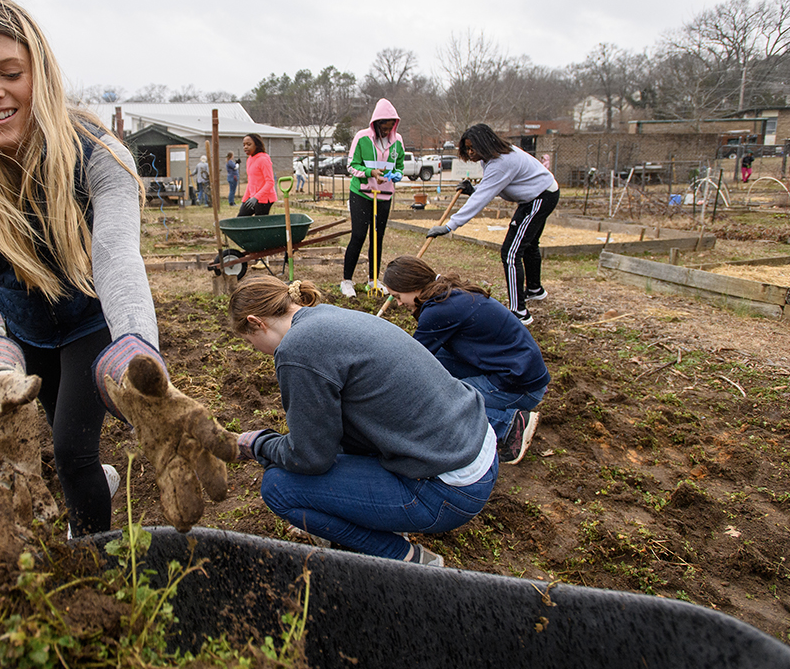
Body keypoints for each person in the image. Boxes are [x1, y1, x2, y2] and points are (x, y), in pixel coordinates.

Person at [0, 0, 220, 540]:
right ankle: (94, 485)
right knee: (49, 433)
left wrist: (136, 355)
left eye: (10, 71)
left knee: (72, 449)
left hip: (89, 324)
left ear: (41, 70)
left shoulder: (101, 156)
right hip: (23, 332)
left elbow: (119, 262)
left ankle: (94, 557)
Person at [228, 276, 537, 567]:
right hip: (476, 448)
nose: (255, 350)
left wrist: (258, 443)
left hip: (450, 490)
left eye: (248, 341)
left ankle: (405, 556)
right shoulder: (327, 316)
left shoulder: (297, 349)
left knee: (279, 486)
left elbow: (310, 458)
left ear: (256, 323)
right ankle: (374, 518)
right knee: (315, 457)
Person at [381, 256, 547, 464]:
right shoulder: (448, 293)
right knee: (437, 362)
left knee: (434, 402)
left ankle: (509, 426)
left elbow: (412, 360)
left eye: (398, 296)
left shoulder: (438, 310)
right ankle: (492, 405)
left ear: (412, 286)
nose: (398, 303)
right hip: (522, 371)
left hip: (520, 387)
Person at [426, 124, 559, 326]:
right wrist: (474, 189)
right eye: (467, 148)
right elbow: (491, 186)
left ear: (485, 144)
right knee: (529, 244)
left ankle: (519, 312)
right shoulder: (495, 158)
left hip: (539, 197)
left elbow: (482, 198)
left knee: (512, 252)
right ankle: (534, 290)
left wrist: (450, 226)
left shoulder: (502, 162)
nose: (470, 153)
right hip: (543, 192)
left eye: (473, 148)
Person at [342, 99, 405, 298]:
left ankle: (373, 280)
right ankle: (347, 281)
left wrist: (398, 174)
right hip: (362, 192)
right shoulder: (362, 138)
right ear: (376, 123)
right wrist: (370, 172)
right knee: (359, 235)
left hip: (384, 194)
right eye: (383, 127)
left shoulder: (397, 141)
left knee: (377, 238)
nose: (386, 131)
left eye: (390, 128)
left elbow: (400, 166)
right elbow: (352, 166)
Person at [238, 133, 276, 217]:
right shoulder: (250, 160)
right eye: (244, 145)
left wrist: (256, 197)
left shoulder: (263, 159)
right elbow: (250, 182)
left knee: (259, 223)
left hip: (265, 199)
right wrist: (244, 201)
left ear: (257, 145)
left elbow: (270, 182)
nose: (245, 147)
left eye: (249, 144)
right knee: (241, 219)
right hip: (252, 198)